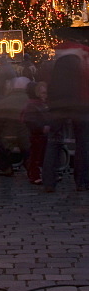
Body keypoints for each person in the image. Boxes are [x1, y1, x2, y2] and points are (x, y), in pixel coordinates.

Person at [42, 47, 89, 192]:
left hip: (57, 107)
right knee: (83, 143)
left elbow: (48, 84)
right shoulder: (82, 62)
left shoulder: (54, 63)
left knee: (53, 143)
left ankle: (49, 181)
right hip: (79, 106)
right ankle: (82, 182)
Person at [0, 75, 31, 177]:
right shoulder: (31, 101)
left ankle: (5, 168)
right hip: (27, 137)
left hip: (7, 137)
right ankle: (30, 167)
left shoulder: (3, 101)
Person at [21, 79, 48, 185]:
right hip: (36, 135)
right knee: (35, 156)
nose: (45, 95)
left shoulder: (42, 104)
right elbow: (31, 121)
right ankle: (34, 174)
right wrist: (41, 128)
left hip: (41, 134)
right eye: (43, 93)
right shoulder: (33, 105)